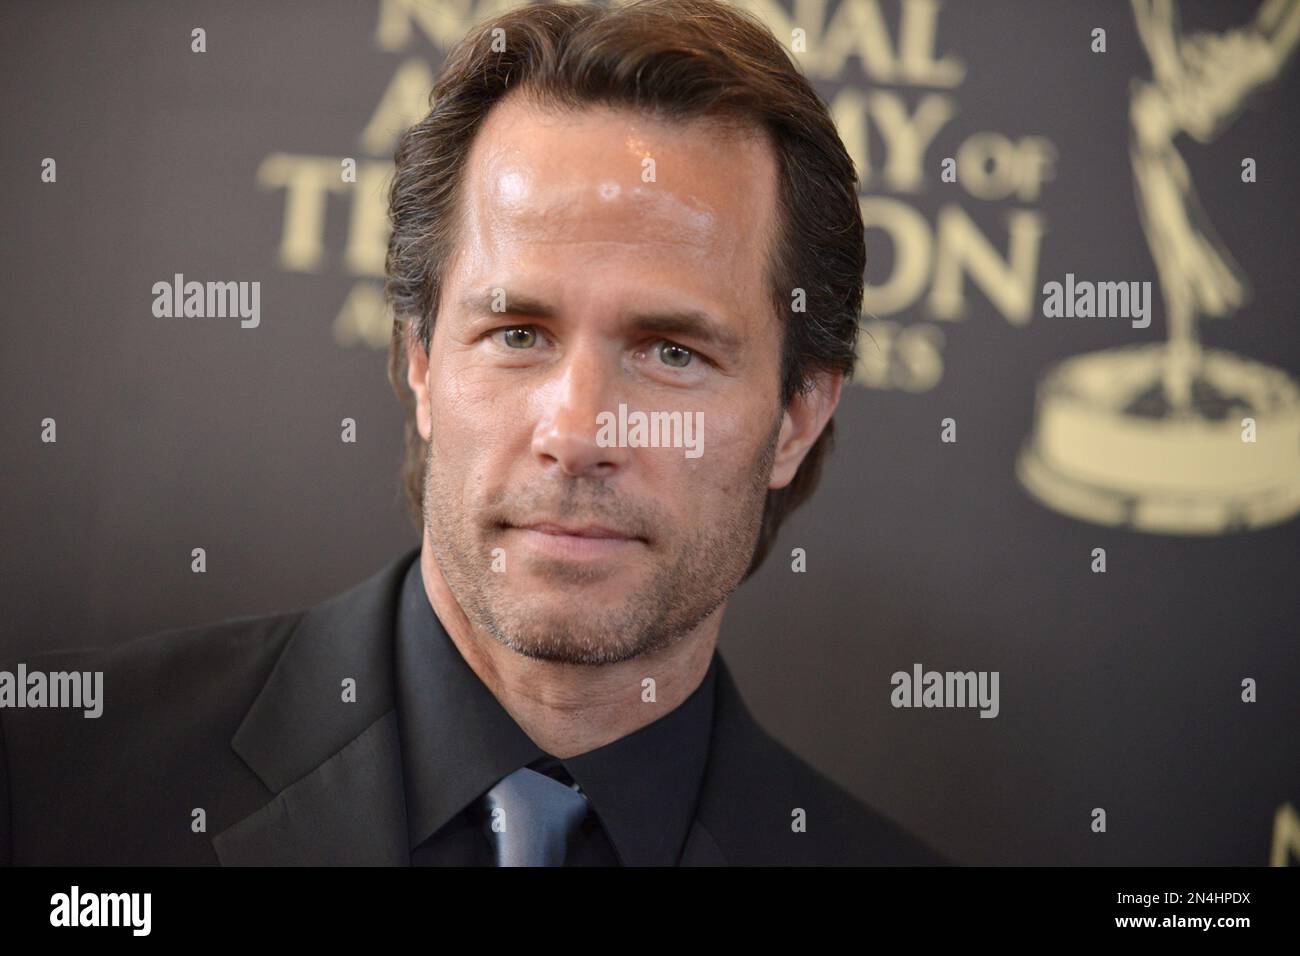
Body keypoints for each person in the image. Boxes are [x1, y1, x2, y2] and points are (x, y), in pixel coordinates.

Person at [0, 0, 945, 866]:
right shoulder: (49, 776)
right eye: (518, 334)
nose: (576, 432)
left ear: (797, 416)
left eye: (672, 354)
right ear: (420, 363)